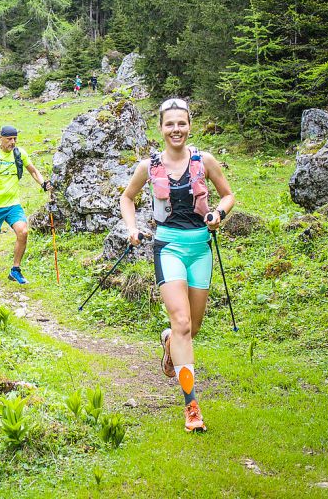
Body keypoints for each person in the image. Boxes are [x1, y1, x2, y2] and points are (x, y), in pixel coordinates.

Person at [119, 98, 235, 432]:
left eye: (181, 123)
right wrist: (131, 228)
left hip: (200, 249)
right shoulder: (148, 166)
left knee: (190, 329)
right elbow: (127, 198)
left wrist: (218, 215)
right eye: (169, 124)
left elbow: (228, 195)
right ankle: (192, 407)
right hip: (167, 247)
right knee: (182, 322)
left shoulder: (205, 161)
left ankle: (170, 342)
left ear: (190, 125)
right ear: (160, 128)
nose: (176, 130)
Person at [0, 125, 53, 284]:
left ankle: (15, 270)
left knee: (23, 232)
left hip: (13, 205)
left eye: (15, 139)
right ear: (0, 138)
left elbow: (33, 171)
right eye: (9, 139)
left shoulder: (19, 153)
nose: (13, 142)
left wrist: (43, 183)